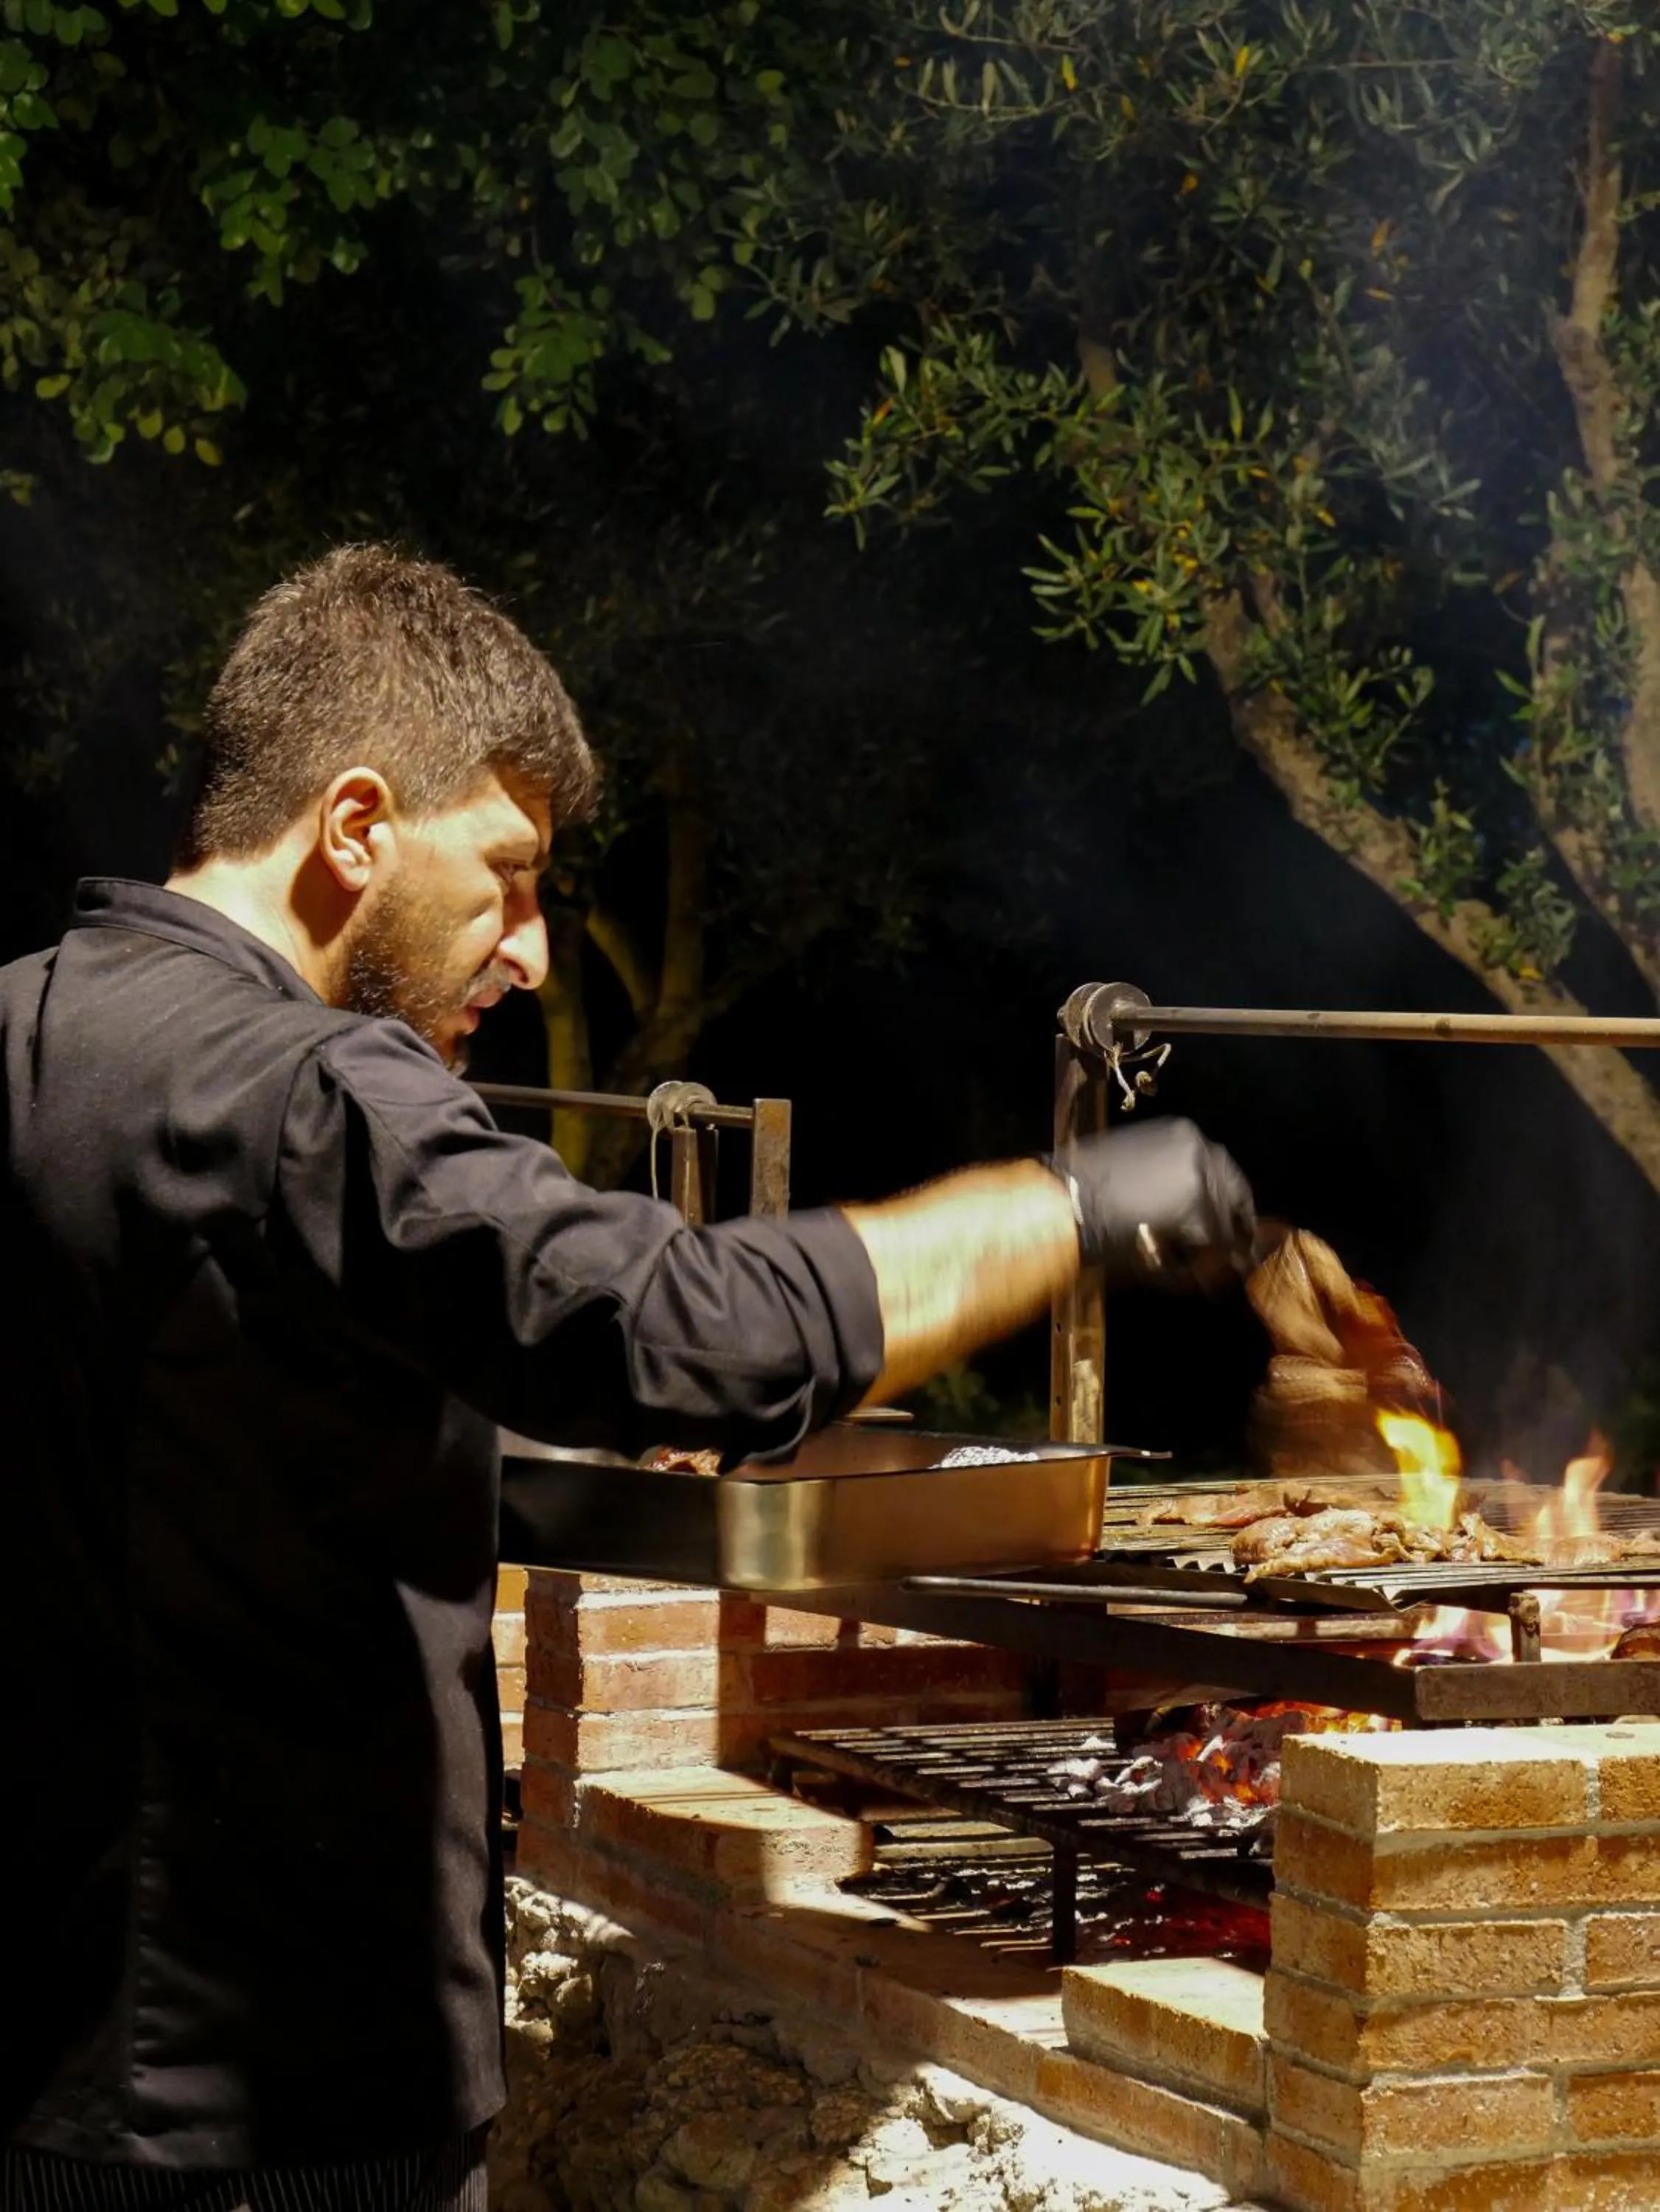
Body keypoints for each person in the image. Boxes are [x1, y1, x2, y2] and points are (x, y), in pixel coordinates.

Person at [0, 546, 1254, 2211]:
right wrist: (1070, 1205)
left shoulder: (33, 1028)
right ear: (356, 826)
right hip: (270, 2097)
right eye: (506, 877)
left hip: (52, 2064)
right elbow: (697, 1333)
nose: (524, 950)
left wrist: (492, 1456)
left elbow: (182, 1428)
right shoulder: (306, 1088)